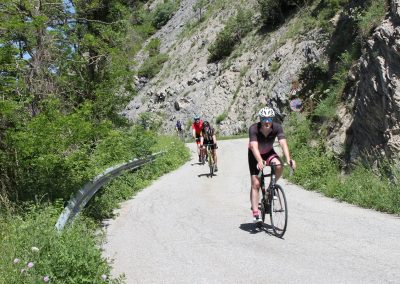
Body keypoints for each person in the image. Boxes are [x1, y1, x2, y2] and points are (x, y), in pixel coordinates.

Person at [248, 107, 296, 225]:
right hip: (255, 155)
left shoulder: (277, 127)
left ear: (272, 119)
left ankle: (271, 188)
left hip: (269, 152)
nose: (267, 121)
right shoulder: (254, 128)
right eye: (264, 119)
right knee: (256, 184)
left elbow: (283, 143)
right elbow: (254, 147)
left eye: (269, 118)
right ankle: (255, 213)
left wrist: (289, 159)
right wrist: (259, 161)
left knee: (279, 165)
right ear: (260, 119)